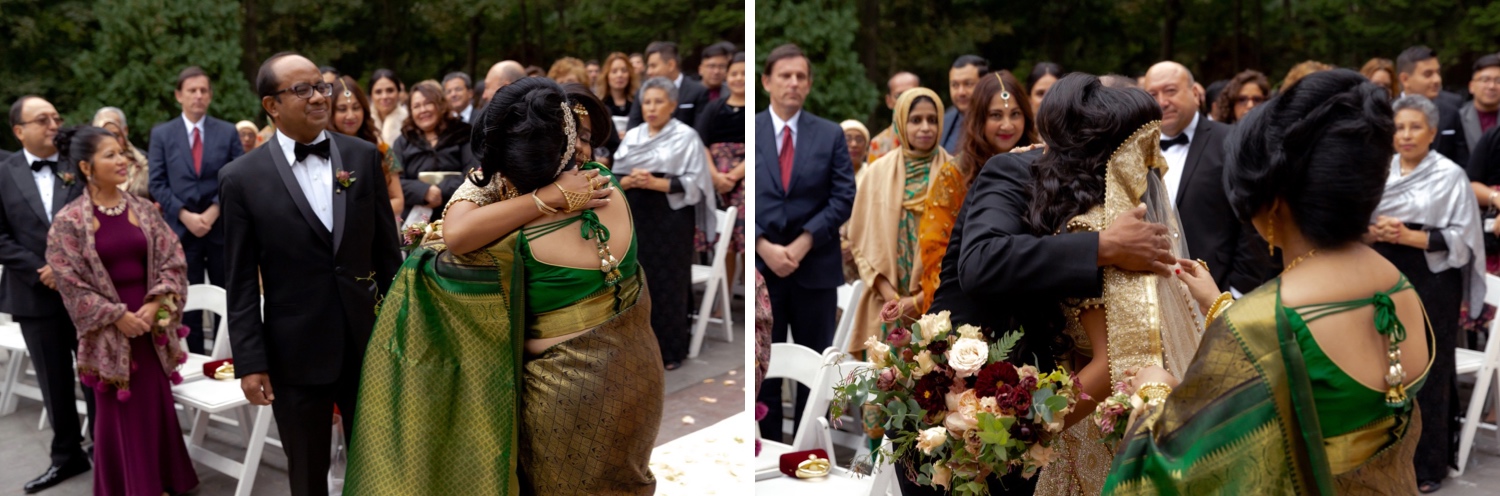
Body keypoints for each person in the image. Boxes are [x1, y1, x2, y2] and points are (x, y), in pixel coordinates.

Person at [1105, 69, 1435, 496]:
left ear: (1272, 203)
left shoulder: (1263, 323)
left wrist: (1155, 391)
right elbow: (1317, 383)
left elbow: (1172, 475)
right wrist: (1221, 306)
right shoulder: (1396, 285)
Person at [346, 75, 656, 495]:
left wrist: (532, 197)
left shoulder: (511, 239)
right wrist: (547, 194)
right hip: (636, 368)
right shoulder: (603, 182)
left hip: (567, 396)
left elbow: (454, 236)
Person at [1007, 73, 1199, 496]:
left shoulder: (1098, 231)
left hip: (1102, 424)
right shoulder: (1133, 220)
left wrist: (1024, 435)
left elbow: (1110, 365)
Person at [222, 52, 402, 496]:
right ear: (271, 105)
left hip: (368, 344)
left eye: (321, 86)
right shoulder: (240, 178)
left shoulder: (362, 156)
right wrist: (251, 362)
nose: (320, 97)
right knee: (306, 471)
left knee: (379, 462)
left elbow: (387, 254)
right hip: (294, 353)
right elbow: (241, 280)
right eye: (302, 90)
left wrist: (401, 327)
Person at [45, 125, 198, 496]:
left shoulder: (144, 209)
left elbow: (173, 259)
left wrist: (156, 301)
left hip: (150, 330)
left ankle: (165, 481)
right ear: (86, 167)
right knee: (121, 417)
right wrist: (117, 316)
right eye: (110, 155)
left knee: (155, 410)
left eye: (122, 153)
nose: (122, 160)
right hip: (109, 340)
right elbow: (69, 283)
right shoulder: (68, 222)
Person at [1368, 94, 1484, 493]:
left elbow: (1464, 239)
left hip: (1432, 280)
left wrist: (1408, 235)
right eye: (1399, 127)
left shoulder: (1450, 175)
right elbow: (1354, 221)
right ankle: (1380, 455)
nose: (1406, 135)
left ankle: (1428, 465)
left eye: (1415, 126)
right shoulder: (1377, 171)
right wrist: (1374, 232)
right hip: (1379, 273)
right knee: (1378, 361)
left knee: (1427, 368)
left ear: (1433, 132)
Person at [754, 43, 855, 443]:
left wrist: (802, 243)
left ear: (809, 84)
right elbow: (744, 195)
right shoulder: (753, 128)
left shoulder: (829, 134)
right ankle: (771, 449)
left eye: (800, 76)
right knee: (767, 363)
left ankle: (809, 451)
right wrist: (762, 245)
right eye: (785, 75)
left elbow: (843, 196)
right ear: (767, 82)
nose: (793, 83)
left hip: (814, 266)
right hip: (765, 270)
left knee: (816, 365)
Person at [2, 95, 95, 494]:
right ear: (19, 130)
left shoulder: (80, 164)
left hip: (85, 293)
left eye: (57, 116)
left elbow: (97, 217)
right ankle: (67, 456)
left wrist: (64, 267)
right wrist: (39, 268)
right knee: (53, 379)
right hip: (33, 294)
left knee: (96, 375)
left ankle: (108, 448)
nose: (54, 124)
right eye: (42, 119)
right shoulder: (2, 173)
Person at [1144, 61, 1273, 295]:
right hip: (1159, 296)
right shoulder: (1137, 149)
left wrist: (1236, 291)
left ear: (1195, 93)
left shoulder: (1232, 141)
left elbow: (1254, 221)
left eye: (1170, 91)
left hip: (1219, 289)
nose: (1162, 101)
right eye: (1153, 94)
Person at [614, 76, 715, 370]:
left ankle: (671, 350)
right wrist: (629, 181)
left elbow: (696, 182)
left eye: (659, 101)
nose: (652, 108)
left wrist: (657, 183)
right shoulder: (633, 136)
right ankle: (635, 347)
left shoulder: (686, 137)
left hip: (671, 219)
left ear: (672, 105)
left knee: (669, 283)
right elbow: (617, 175)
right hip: (637, 215)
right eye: (647, 102)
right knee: (636, 279)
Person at [917, 70, 1034, 313]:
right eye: (995, 115)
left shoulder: (1039, 165)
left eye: (1015, 114)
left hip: (1027, 293)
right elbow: (935, 249)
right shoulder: (956, 174)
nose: (1007, 125)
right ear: (979, 119)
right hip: (967, 302)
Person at [147, 66, 245, 354]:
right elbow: (157, 181)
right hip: (180, 229)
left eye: (204, 90)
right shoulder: (163, 134)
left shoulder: (227, 133)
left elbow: (235, 177)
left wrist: (214, 210)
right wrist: (185, 215)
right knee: (184, 296)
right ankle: (191, 358)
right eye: (192, 90)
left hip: (219, 228)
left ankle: (223, 357)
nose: (198, 96)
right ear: (179, 95)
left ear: (211, 96)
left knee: (223, 294)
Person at [847, 86, 949, 355]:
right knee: (882, 385)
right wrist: (892, 297)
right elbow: (860, 241)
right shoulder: (877, 172)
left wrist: (917, 300)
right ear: (901, 123)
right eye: (916, 120)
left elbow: (960, 247)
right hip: (884, 301)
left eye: (932, 119)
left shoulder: (955, 173)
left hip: (937, 302)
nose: (925, 127)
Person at [694, 52, 747, 282]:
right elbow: (701, 142)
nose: (739, 78)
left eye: (744, 73)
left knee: (744, 234)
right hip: (714, 175)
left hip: (745, 177)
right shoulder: (714, 108)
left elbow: (760, 148)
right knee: (724, 243)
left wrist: (733, 176)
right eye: (734, 73)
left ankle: (751, 299)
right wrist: (715, 176)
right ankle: (720, 301)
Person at [393, 81, 475, 225]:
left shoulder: (463, 133)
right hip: (415, 221)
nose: (423, 110)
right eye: (416, 106)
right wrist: (423, 191)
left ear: (440, 105)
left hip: (459, 215)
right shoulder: (403, 141)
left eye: (428, 103)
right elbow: (394, 182)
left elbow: (475, 173)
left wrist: (440, 191)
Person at [328, 75, 406, 219]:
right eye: (342, 109)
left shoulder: (381, 149)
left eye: (356, 108)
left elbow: (398, 201)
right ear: (331, 113)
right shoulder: (321, 150)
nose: (350, 116)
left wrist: (360, 216)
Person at [1398, 46, 1469, 167]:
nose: (1437, 80)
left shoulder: (1451, 112)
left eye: (1438, 72)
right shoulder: (1385, 113)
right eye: (1428, 74)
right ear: (1405, 79)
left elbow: (1462, 162)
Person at [627, 41, 710, 129]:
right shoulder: (643, 92)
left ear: (671, 65)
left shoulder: (698, 91)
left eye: (653, 66)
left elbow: (701, 131)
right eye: (648, 67)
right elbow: (632, 127)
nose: (649, 72)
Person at [91, 107, 150, 199]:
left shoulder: (144, 161)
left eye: (115, 134)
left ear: (125, 131)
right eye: (103, 135)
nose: (110, 140)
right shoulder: (87, 165)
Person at [869, 71, 920, 161]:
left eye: (912, 93)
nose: (905, 99)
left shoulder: (933, 137)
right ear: (888, 101)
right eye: (899, 95)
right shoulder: (878, 144)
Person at [940, 55, 986, 154]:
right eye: (955, 85)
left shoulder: (996, 122)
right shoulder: (944, 120)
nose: (961, 92)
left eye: (968, 84)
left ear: (985, 84)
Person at [1461, 54, 1500, 154]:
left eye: (1498, 81)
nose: (1492, 86)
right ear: (1471, 86)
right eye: (1485, 80)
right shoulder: (1459, 118)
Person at [369, 68, 409, 146]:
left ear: (398, 93)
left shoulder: (409, 120)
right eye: (378, 92)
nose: (384, 96)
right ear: (371, 95)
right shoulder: (364, 121)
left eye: (390, 90)